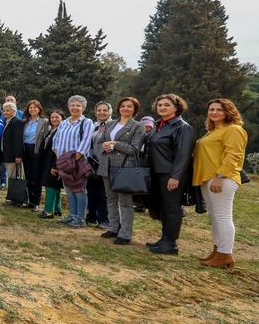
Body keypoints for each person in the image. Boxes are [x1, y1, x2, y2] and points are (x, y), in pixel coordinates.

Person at [193, 99, 247, 269]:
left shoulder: (234, 130)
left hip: (221, 179)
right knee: (215, 216)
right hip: (207, 178)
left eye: (219, 110)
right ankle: (218, 251)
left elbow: (234, 155)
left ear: (229, 112)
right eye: (211, 109)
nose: (214, 112)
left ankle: (225, 254)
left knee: (223, 216)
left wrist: (220, 176)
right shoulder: (212, 131)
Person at [145, 94, 195, 255]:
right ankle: (164, 238)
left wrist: (176, 176)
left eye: (167, 105)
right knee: (164, 207)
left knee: (172, 208)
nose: (162, 107)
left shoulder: (182, 127)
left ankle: (171, 244)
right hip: (157, 172)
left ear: (176, 107)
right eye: (159, 105)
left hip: (171, 174)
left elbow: (184, 154)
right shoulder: (159, 124)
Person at [96, 97, 144, 245]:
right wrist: (103, 146)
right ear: (118, 108)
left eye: (129, 106)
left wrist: (115, 144)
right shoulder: (110, 124)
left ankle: (125, 234)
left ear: (134, 109)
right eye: (123, 106)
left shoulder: (137, 126)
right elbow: (99, 142)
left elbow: (134, 149)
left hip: (124, 167)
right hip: (107, 165)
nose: (125, 109)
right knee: (110, 199)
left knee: (125, 202)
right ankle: (113, 227)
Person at [53, 95, 95, 228]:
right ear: (68, 107)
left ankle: (80, 218)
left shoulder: (86, 122)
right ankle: (72, 215)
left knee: (79, 190)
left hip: (77, 162)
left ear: (83, 108)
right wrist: (59, 157)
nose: (75, 108)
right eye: (72, 105)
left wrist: (75, 158)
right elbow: (56, 140)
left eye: (78, 105)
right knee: (68, 190)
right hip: (63, 162)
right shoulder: (64, 122)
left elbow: (86, 140)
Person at [86, 101, 112, 228]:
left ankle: (104, 220)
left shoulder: (113, 125)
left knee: (103, 193)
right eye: (99, 110)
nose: (102, 112)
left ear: (110, 112)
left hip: (106, 163)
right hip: (92, 163)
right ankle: (91, 216)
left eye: (105, 110)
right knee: (91, 190)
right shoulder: (93, 125)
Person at [21, 100, 49, 212]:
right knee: (28, 176)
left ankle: (36, 202)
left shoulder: (44, 122)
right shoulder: (25, 122)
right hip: (26, 150)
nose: (32, 109)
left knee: (36, 177)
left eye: (35, 107)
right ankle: (30, 201)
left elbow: (46, 138)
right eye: (30, 108)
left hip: (37, 151)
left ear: (39, 109)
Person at [39, 110, 65, 218]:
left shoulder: (62, 131)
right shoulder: (52, 130)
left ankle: (48, 211)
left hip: (54, 162)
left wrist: (55, 165)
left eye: (57, 117)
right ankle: (58, 209)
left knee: (50, 186)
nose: (54, 119)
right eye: (52, 117)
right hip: (47, 162)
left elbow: (60, 149)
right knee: (56, 186)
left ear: (62, 118)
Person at [0, 101, 24, 203]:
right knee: (11, 176)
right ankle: (11, 197)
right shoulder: (7, 121)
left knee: (14, 177)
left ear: (14, 111)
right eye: (4, 110)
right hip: (6, 154)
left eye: (8, 110)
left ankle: (15, 199)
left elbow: (18, 140)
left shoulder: (16, 122)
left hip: (13, 155)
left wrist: (18, 156)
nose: (5, 112)